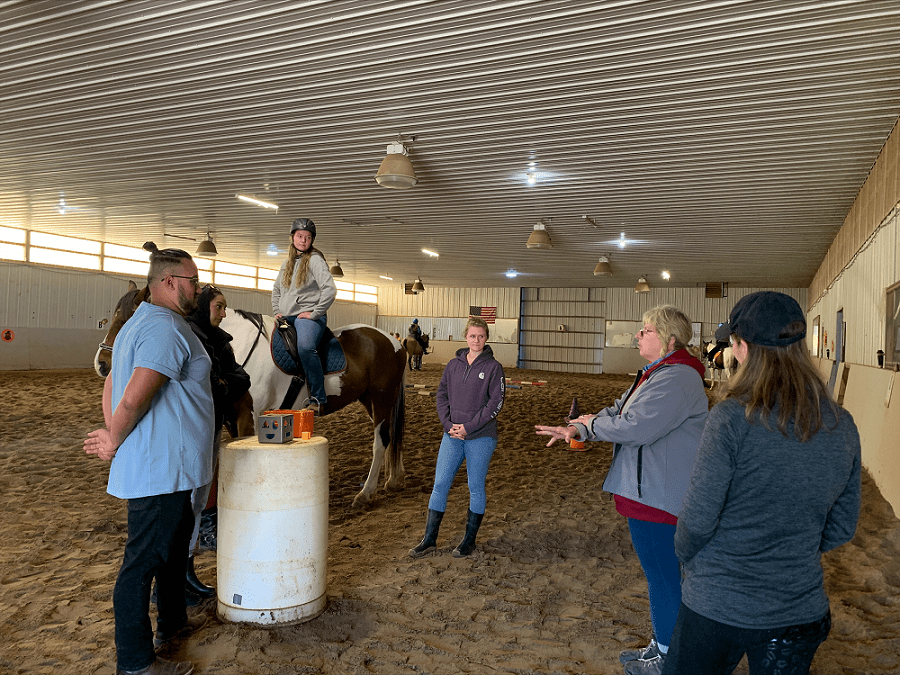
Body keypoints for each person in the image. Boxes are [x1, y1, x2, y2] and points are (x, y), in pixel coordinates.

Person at [662, 292, 861, 675]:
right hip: (796, 608)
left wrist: (689, 557)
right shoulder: (841, 424)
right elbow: (842, 527)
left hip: (717, 604)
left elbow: (698, 520)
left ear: (741, 347)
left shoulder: (730, 419)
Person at [535, 306, 708, 675]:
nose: (638, 336)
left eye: (645, 331)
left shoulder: (676, 378)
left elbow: (636, 425)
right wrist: (581, 427)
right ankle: (663, 645)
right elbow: (618, 410)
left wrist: (591, 427)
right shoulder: (657, 374)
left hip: (658, 493)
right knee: (658, 574)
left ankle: (668, 658)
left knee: (662, 575)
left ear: (669, 338)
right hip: (647, 489)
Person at [84, 244, 214, 675]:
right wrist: (113, 438)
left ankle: (172, 625)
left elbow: (111, 386)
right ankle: (138, 664)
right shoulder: (162, 329)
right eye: (192, 281)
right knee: (142, 563)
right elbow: (138, 391)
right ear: (168, 282)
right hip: (162, 468)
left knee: (173, 552)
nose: (197, 288)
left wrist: (114, 433)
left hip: (170, 467)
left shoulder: (141, 324)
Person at [409, 317, 505, 559]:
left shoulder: (494, 368)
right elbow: (442, 394)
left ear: (486, 338)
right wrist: (448, 424)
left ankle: (468, 541)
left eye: (481, 336)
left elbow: (495, 404)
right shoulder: (453, 365)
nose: (476, 340)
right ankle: (429, 539)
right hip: (451, 435)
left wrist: (469, 428)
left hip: (480, 437)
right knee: (440, 484)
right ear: (466, 337)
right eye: (472, 336)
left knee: (475, 487)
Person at [182, 285, 251, 601]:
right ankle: (177, 574)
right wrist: (222, 383)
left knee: (197, 499)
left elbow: (242, 379)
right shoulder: (191, 336)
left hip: (211, 424)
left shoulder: (221, 342)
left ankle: (186, 572)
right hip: (192, 427)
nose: (224, 314)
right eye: (219, 307)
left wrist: (222, 383)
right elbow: (206, 382)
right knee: (187, 500)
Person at [271, 218, 337, 415]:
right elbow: (276, 289)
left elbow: (330, 290)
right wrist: (277, 310)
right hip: (286, 316)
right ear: (293, 237)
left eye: (308, 237)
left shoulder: (315, 260)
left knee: (305, 347)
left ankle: (317, 397)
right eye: (300, 236)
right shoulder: (286, 263)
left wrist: (315, 313)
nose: (303, 240)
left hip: (308, 318)